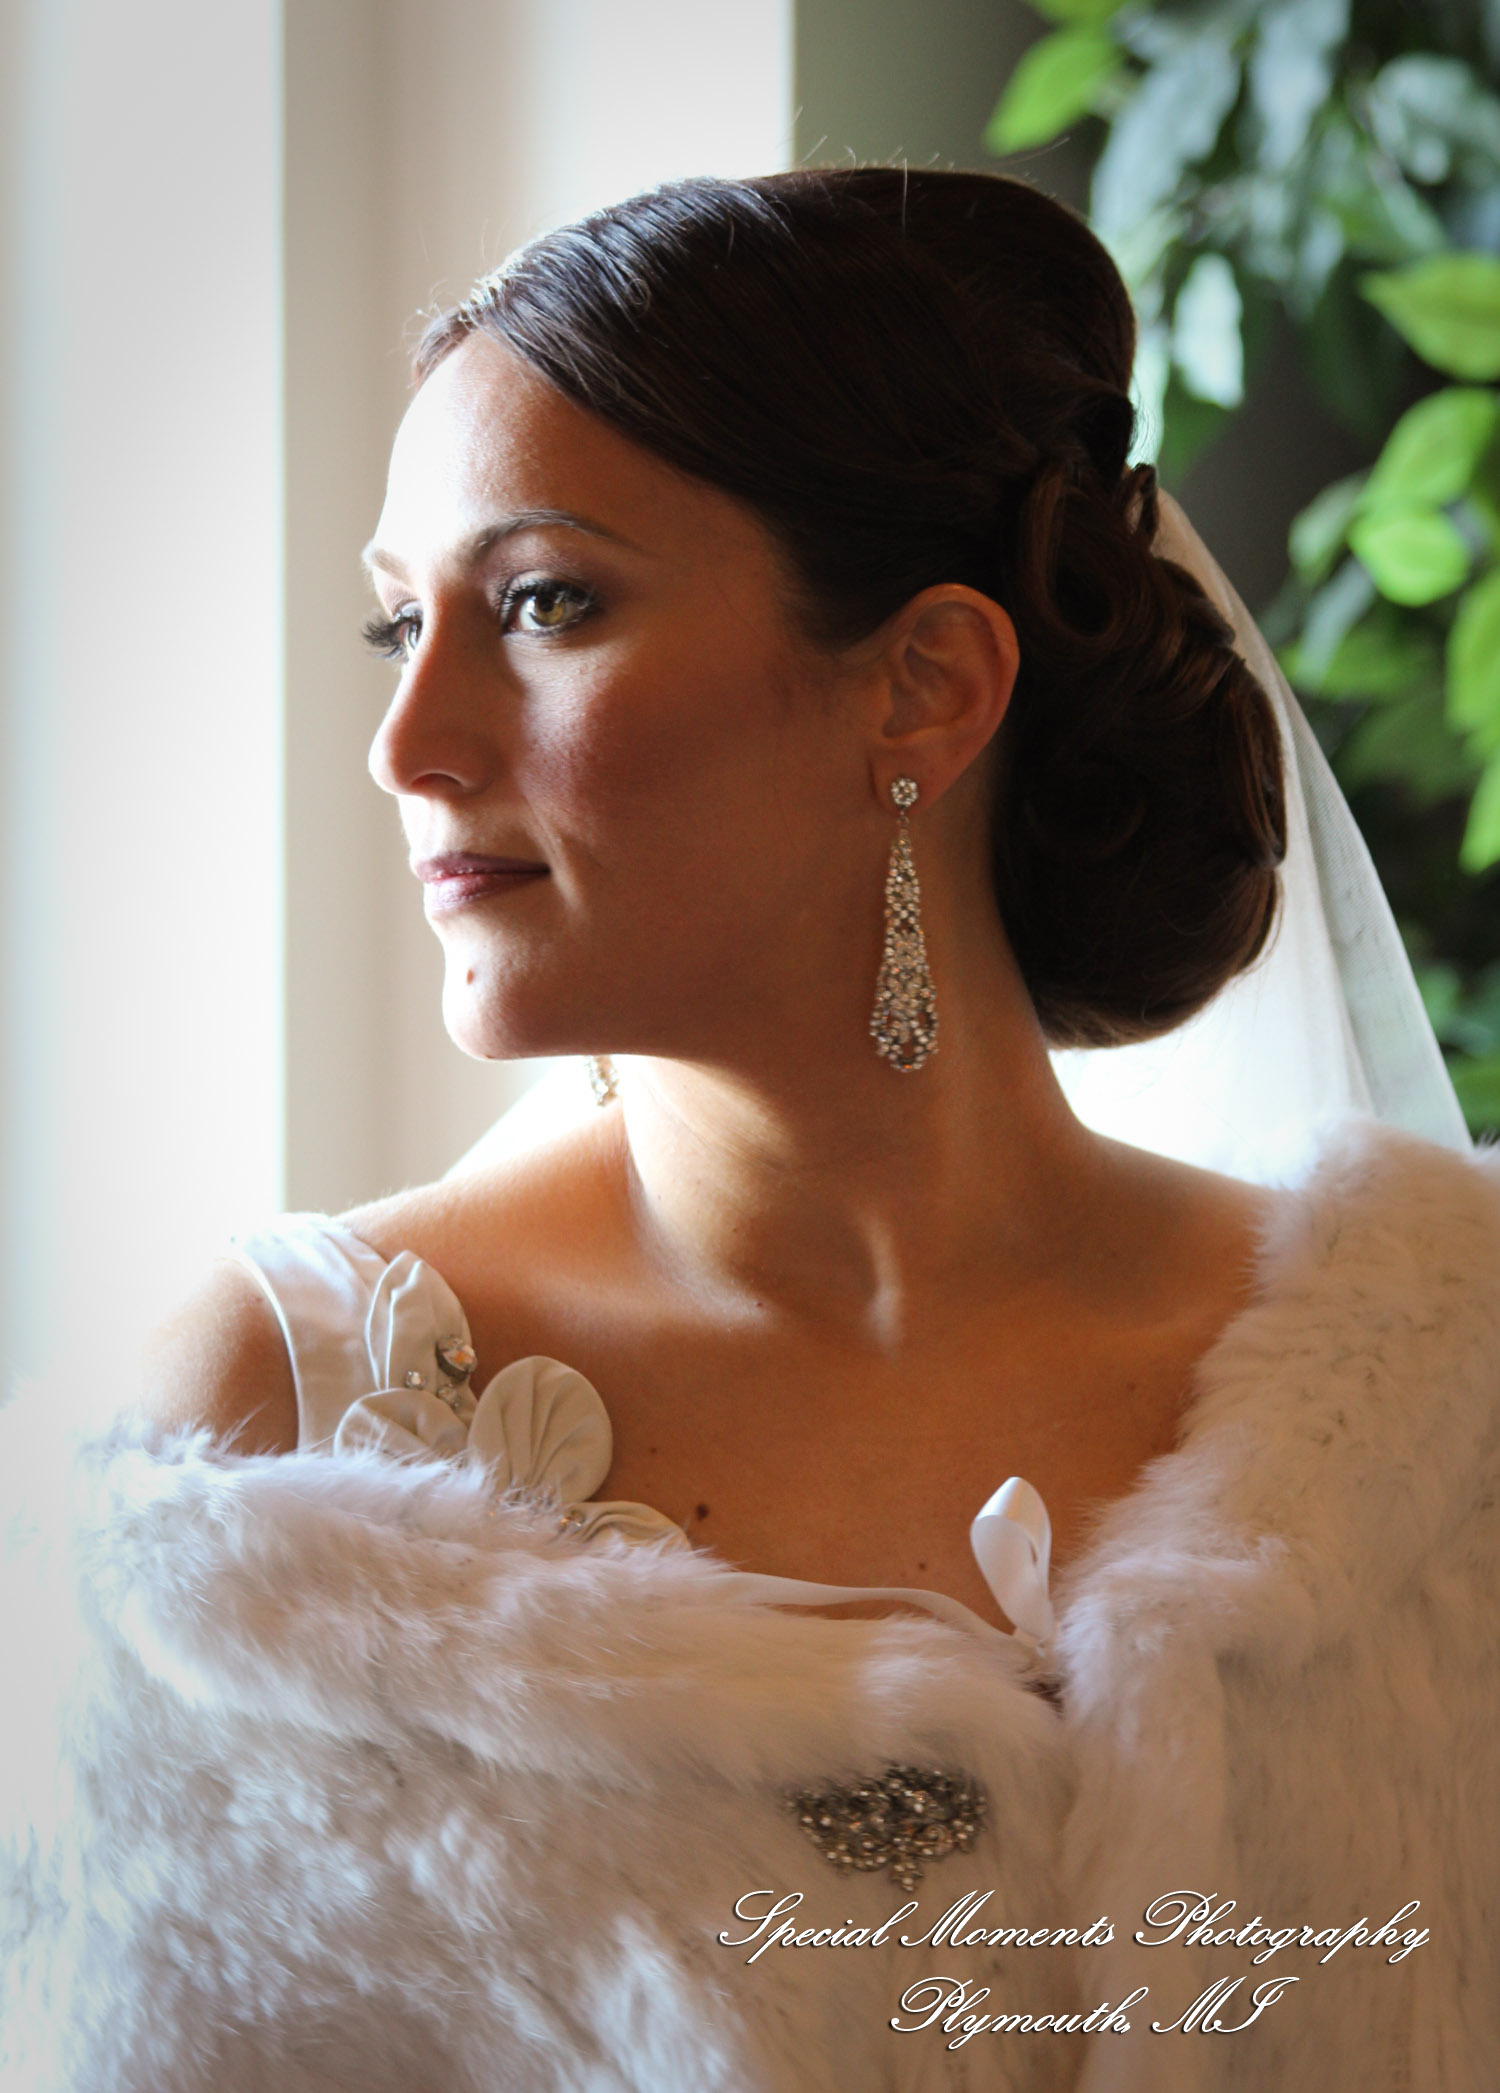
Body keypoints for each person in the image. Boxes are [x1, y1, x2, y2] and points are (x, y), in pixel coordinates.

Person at [4, 168, 1497, 2092]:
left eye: (544, 601)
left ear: (927, 684)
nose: (409, 739)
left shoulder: (1434, 1392)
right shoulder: (264, 1446)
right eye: (401, 624)